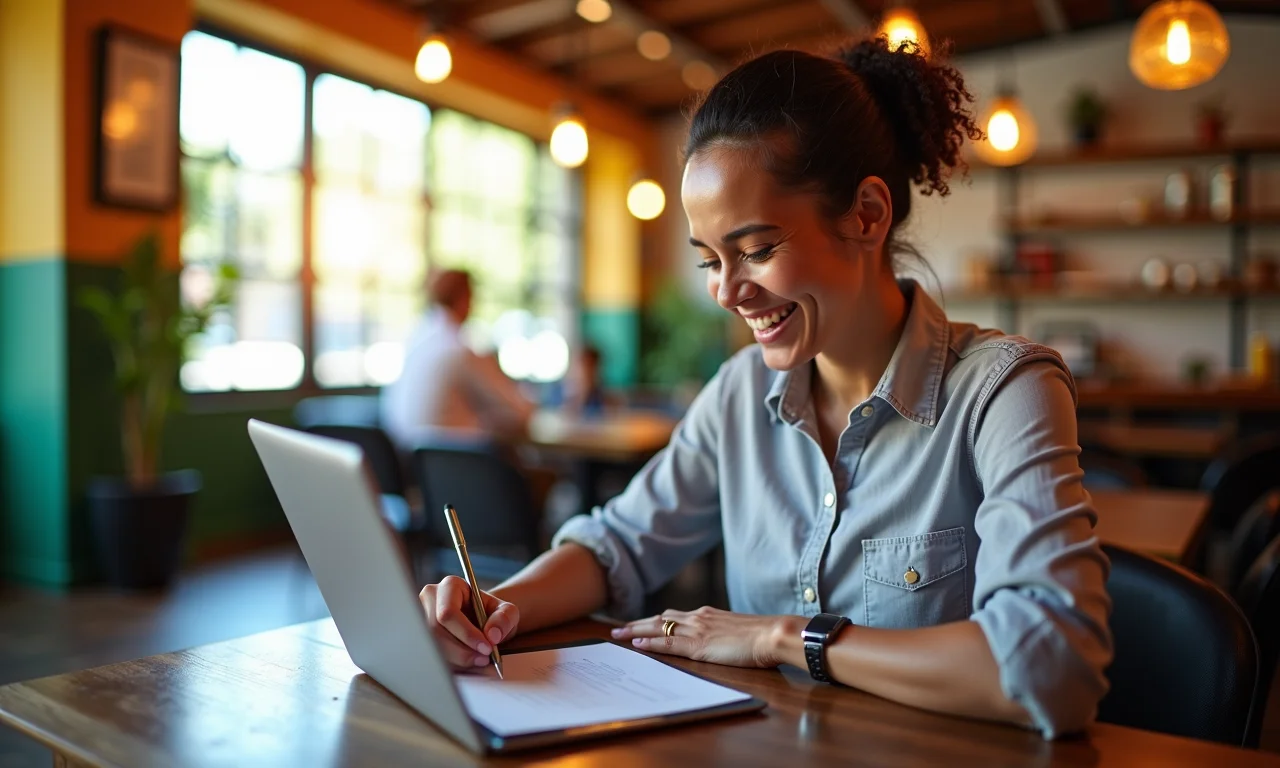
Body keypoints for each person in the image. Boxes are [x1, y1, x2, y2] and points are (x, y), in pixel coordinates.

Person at [417, 37, 1112, 739]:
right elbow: (617, 546)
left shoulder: (1005, 390)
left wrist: (785, 639)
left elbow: (1049, 667)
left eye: (755, 250)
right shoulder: (740, 391)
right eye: (710, 260)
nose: (726, 291)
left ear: (867, 215)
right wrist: (493, 608)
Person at [380, 269, 535, 449]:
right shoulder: (457, 348)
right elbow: (519, 411)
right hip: (459, 464)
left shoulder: (417, 339)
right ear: (465, 298)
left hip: (412, 465)